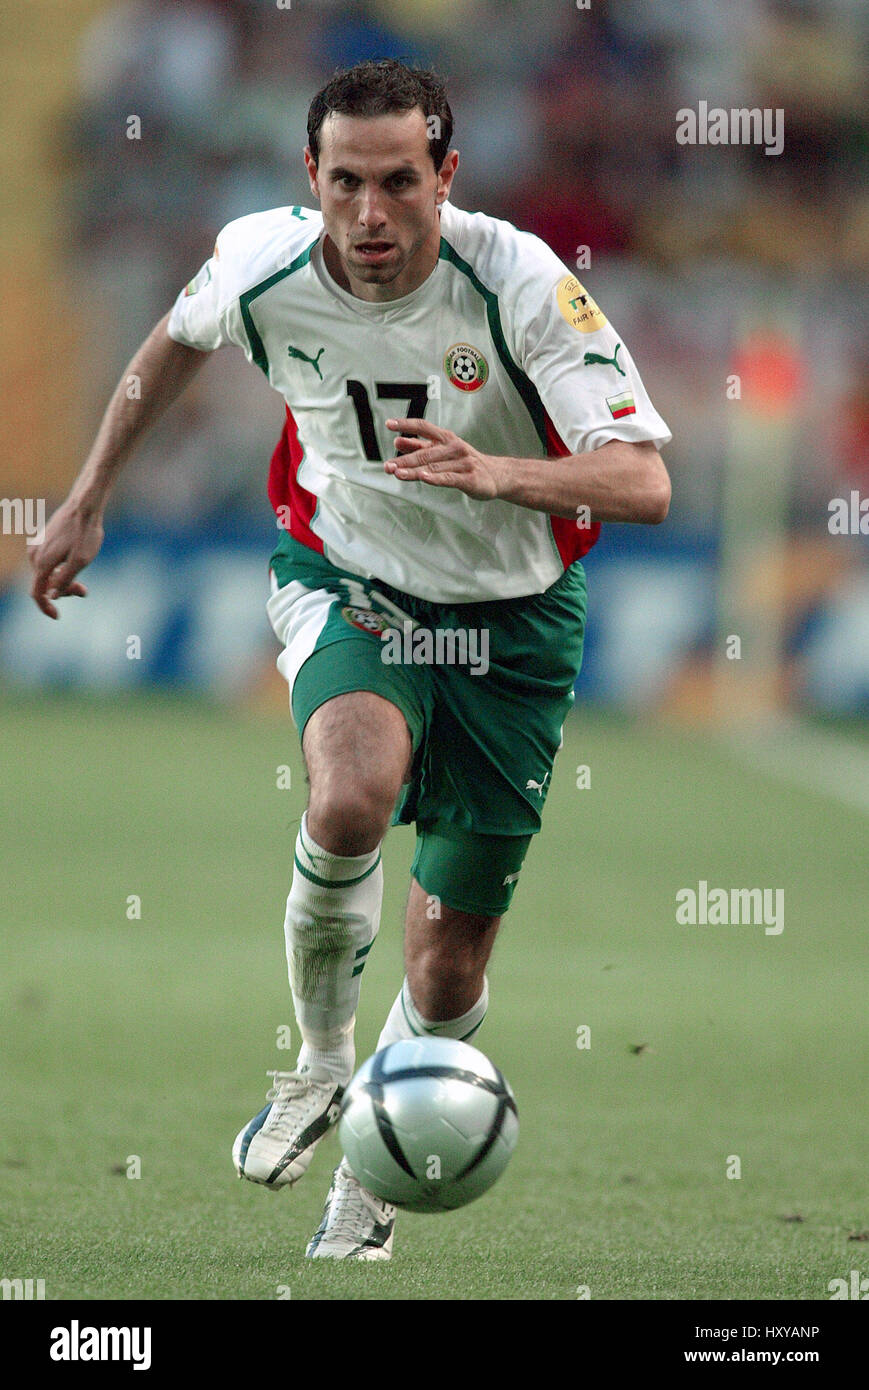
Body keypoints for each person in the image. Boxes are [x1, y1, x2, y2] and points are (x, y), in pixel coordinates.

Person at [30, 58, 671, 1261]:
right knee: (348, 793)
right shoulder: (260, 261)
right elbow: (168, 343)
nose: (370, 216)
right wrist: (85, 499)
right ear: (308, 178)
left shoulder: (519, 280)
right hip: (348, 578)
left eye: (398, 183)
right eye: (344, 184)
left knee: (444, 965)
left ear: (447, 175)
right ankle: (320, 1064)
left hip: (511, 625)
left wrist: (500, 472)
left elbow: (643, 479)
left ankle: (370, 1175)